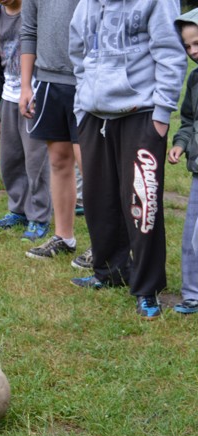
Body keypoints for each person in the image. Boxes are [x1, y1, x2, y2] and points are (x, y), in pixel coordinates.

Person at [69, 0, 185, 320]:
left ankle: (147, 287)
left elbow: (170, 53)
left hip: (142, 114)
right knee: (98, 198)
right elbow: (78, 51)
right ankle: (109, 271)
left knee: (141, 202)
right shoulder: (87, 4)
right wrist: (82, 105)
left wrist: (161, 115)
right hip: (94, 115)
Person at [19, 0, 89, 263]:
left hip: (87, 79)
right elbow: (29, 31)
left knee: (90, 163)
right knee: (59, 160)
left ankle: (104, 243)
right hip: (48, 81)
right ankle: (64, 236)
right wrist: (26, 85)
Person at [0, 0, 50, 242]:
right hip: (8, 95)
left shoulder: (36, 10)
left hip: (35, 94)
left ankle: (39, 216)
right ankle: (18, 210)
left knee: (36, 161)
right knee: (10, 158)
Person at [170, 10, 198, 316]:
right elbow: (188, 120)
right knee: (191, 236)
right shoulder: (194, 79)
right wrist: (180, 144)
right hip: (197, 171)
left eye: (197, 42)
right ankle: (192, 294)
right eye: (187, 46)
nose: (193, 51)